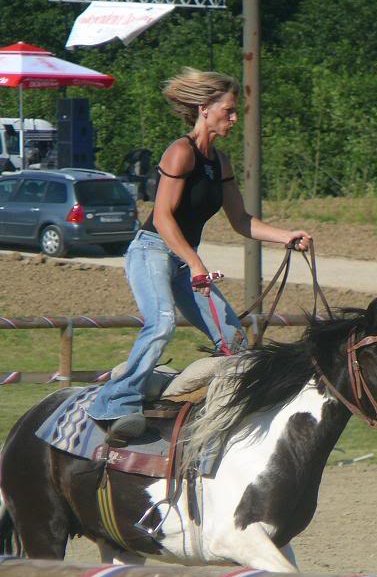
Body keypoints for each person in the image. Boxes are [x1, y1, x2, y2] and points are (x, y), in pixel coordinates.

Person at [88, 67, 311, 442]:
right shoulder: (180, 153)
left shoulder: (219, 163)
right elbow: (161, 218)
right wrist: (194, 263)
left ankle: (213, 415)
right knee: (161, 323)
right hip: (152, 249)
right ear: (205, 108)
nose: (235, 118)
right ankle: (114, 402)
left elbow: (241, 220)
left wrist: (285, 236)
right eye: (229, 110)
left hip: (185, 258)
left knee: (234, 341)